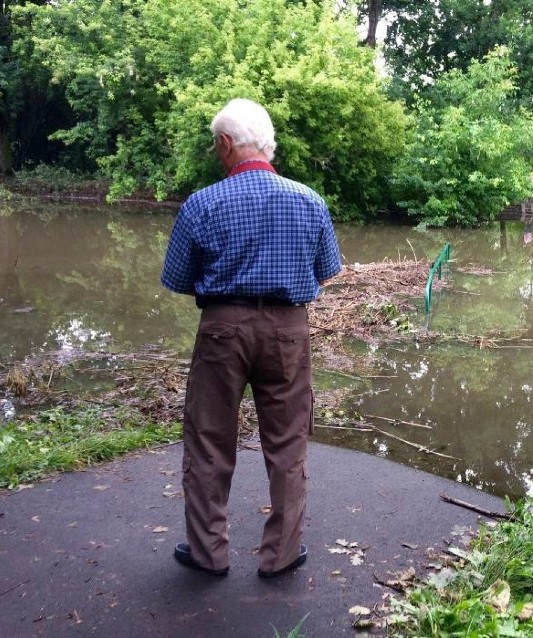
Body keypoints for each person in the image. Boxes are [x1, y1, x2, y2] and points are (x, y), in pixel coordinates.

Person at [160, 98, 342, 578]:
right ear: (266, 144)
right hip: (288, 330)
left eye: (214, 143)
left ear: (225, 144)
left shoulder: (202, 203)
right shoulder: (309, 200)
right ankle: (281, 556)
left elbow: (178, 278)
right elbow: (326, 272)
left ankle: (208, 553)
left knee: (208, 440)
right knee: (287, 443)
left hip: (222, 328)